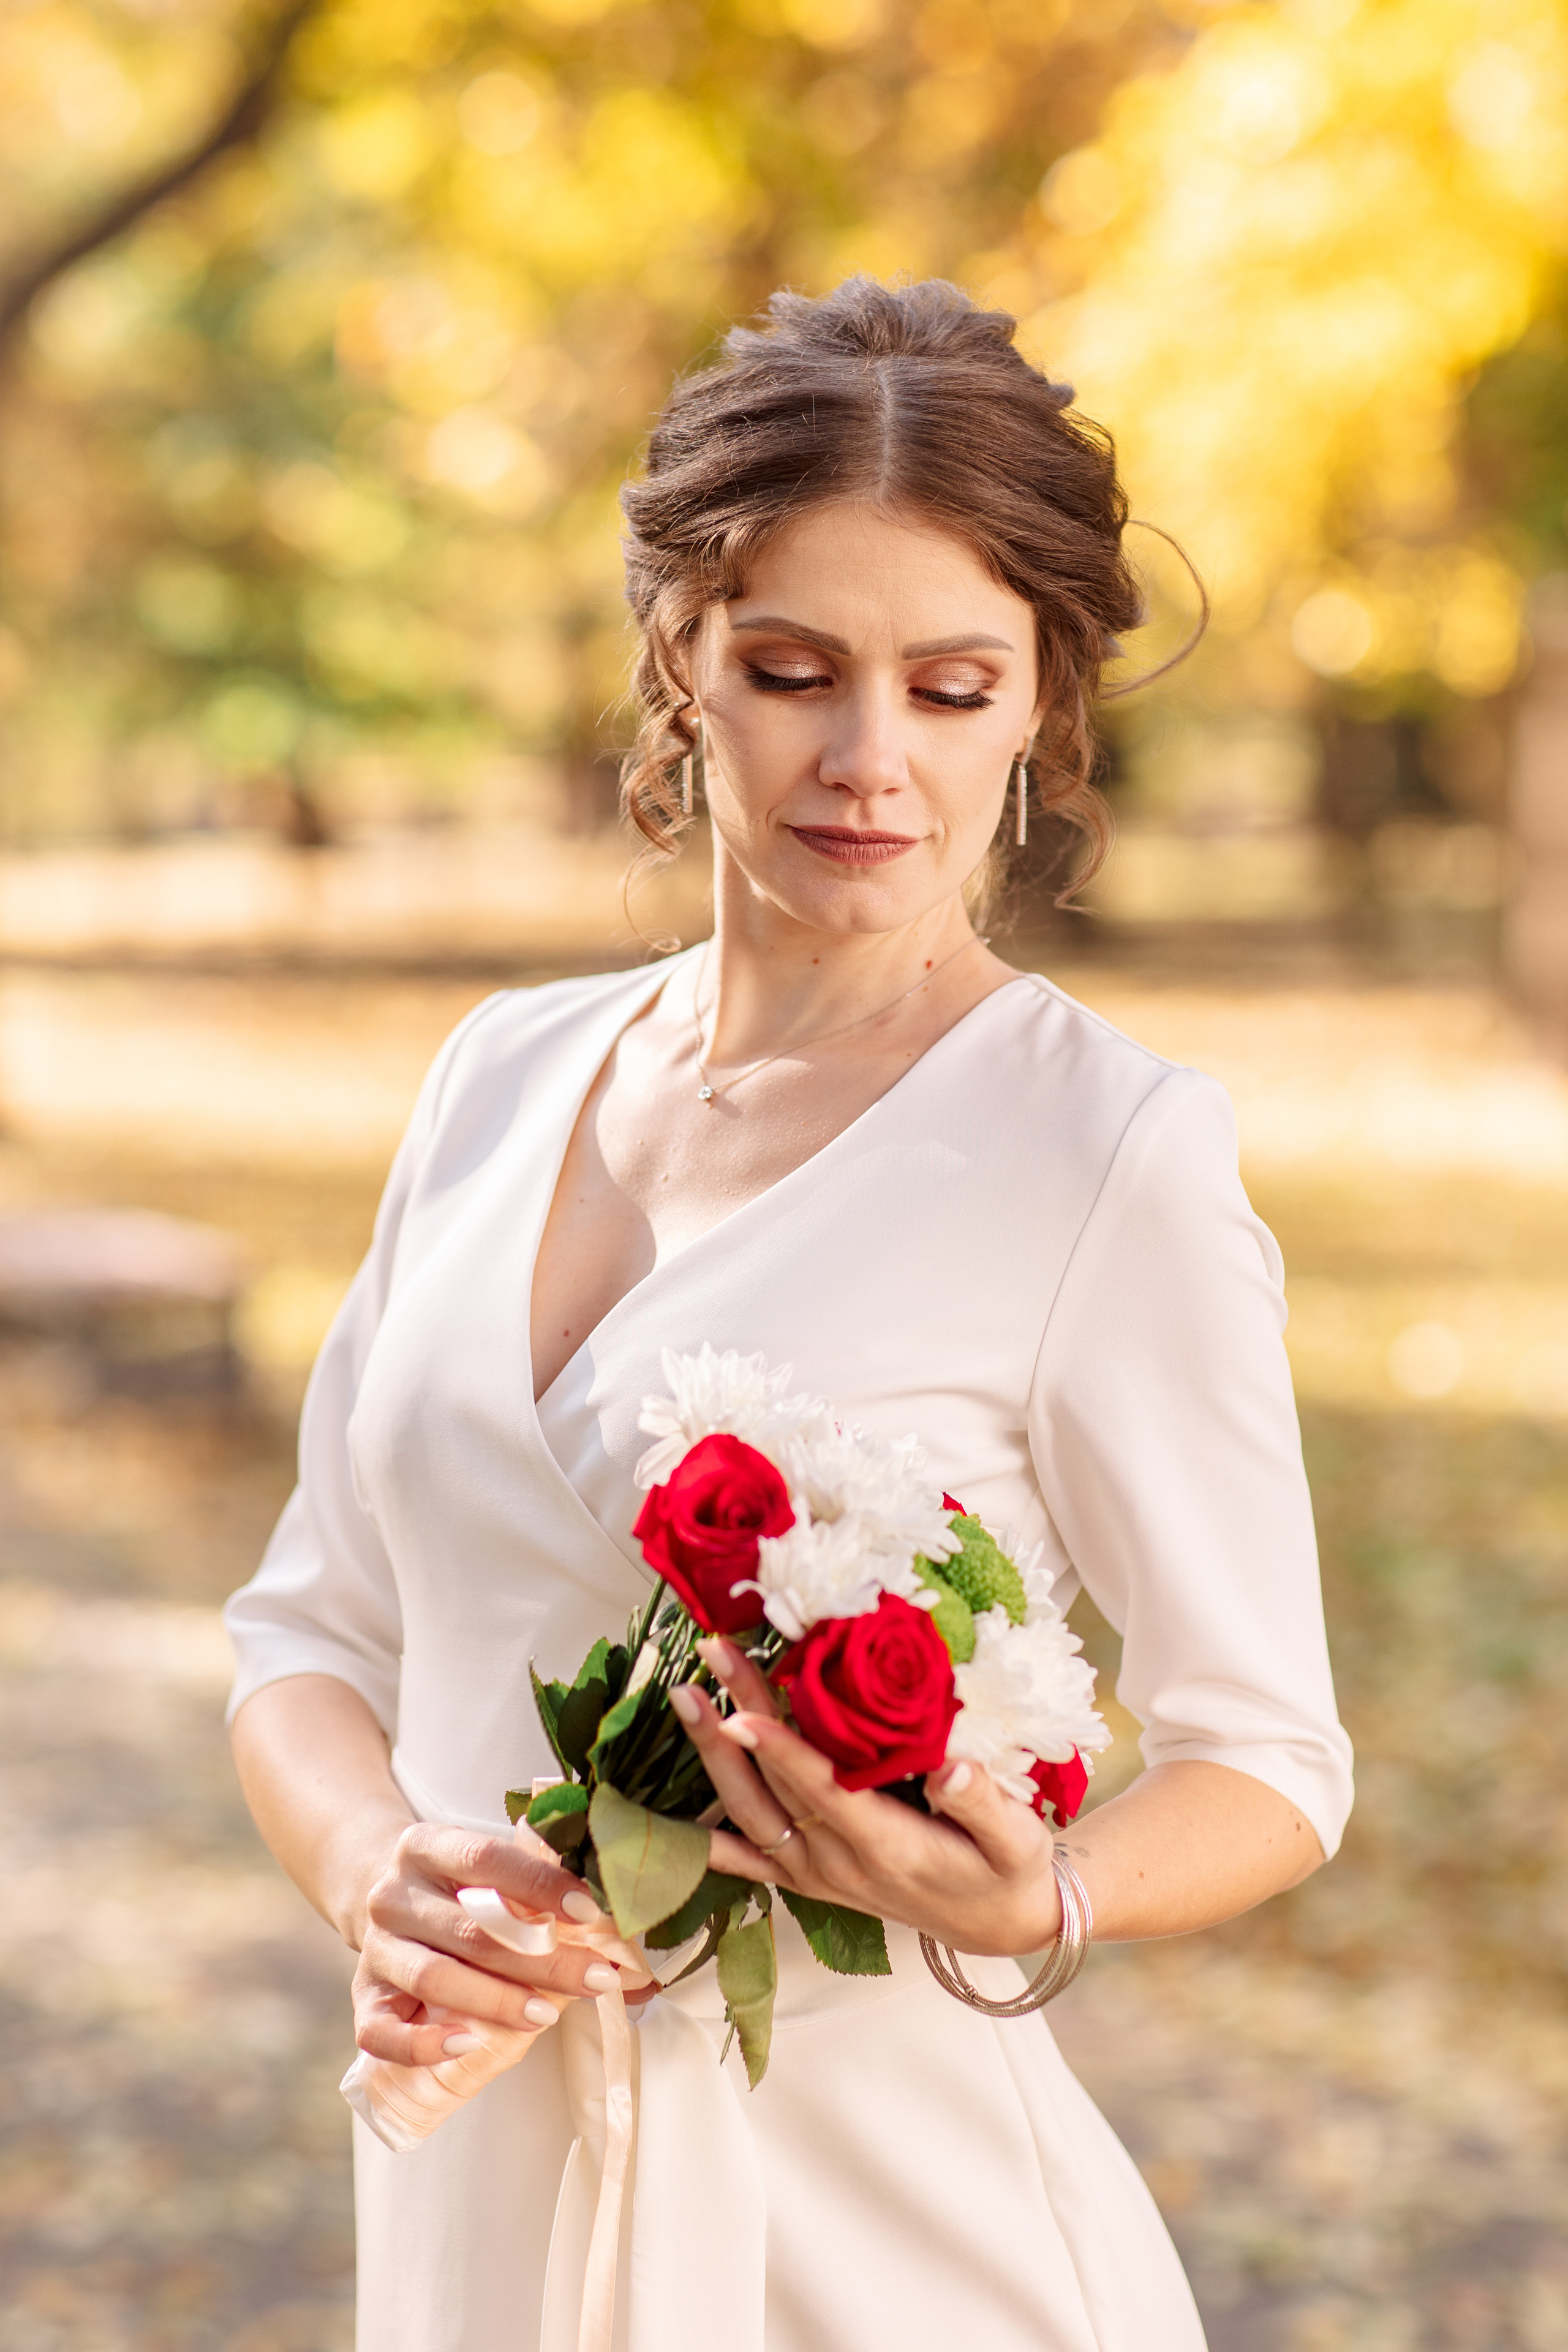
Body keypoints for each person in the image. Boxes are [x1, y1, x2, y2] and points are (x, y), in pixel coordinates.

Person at [225, 276, 1352, 2352]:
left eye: (949, 684)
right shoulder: (495, 1076)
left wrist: (1051, 1895)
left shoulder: (1104, 1154)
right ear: (681, 661)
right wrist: (377, 1865)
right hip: (472, 2192)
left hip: (886, 2245)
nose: (867, 760)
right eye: (792, 667)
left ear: (1040, 705)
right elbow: (308, 1631)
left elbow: (1271, 1758)